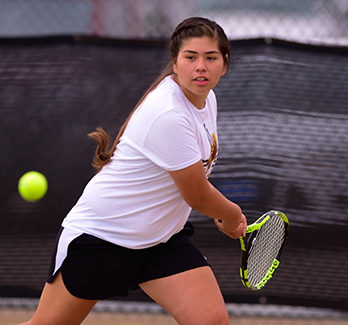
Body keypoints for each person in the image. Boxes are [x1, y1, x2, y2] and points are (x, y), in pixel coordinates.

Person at [20, 17, 247, 325]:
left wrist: (224, 212)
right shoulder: (168, 113)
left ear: (225, 64)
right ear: (175, 63)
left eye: (211, 58)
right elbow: (196, 194)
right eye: (190, 57)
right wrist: (231, 214)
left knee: (211, 321)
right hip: (103, 237)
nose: (201, 67)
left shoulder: (207, 101)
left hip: (161, 242)